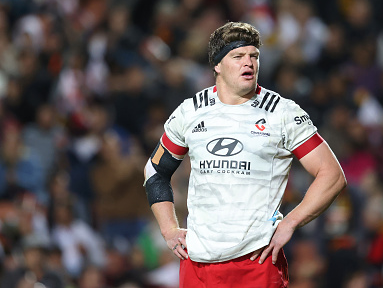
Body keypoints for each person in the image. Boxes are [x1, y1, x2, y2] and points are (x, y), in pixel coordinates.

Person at [143, 21, 347, 287]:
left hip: (257, 262)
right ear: (217, 65)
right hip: (198, 264)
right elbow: (156, 171)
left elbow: (331, 174)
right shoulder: (190, 112)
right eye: (238, 56)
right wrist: (169, 229)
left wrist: (291, 222)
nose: (248, 63)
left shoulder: (282, 113)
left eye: (254, 56)